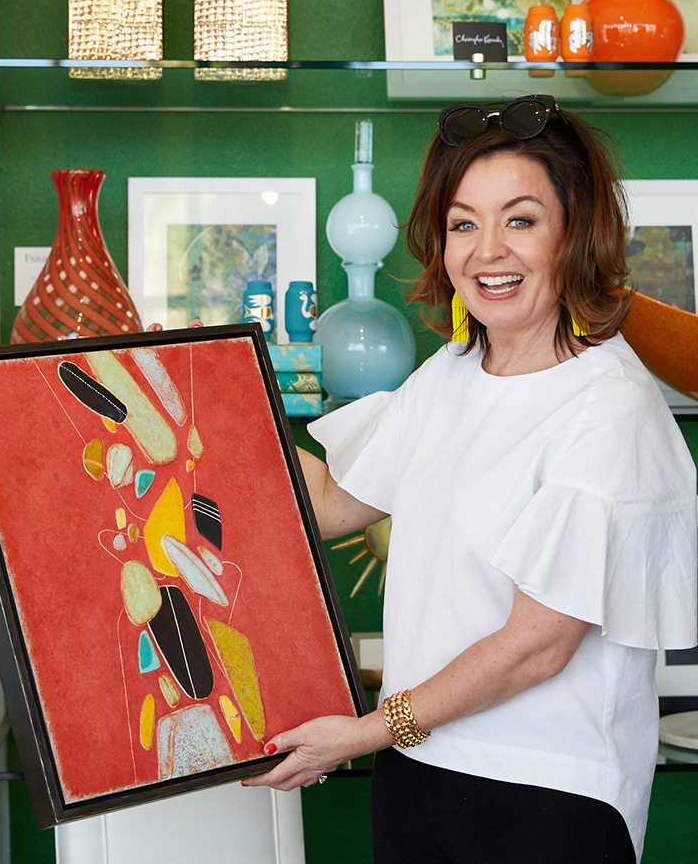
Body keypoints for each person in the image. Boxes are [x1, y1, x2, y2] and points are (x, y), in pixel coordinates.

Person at [242, 94, 697, 863]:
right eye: (463, 223)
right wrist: (202, 401)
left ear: (574, 232)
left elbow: (536, 647)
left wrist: (361, 734)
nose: (488, 251)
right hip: (419, 772)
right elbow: (321, 503)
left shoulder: (610, 403)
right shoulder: (450, 375)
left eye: (520, 220)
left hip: (547, 795)